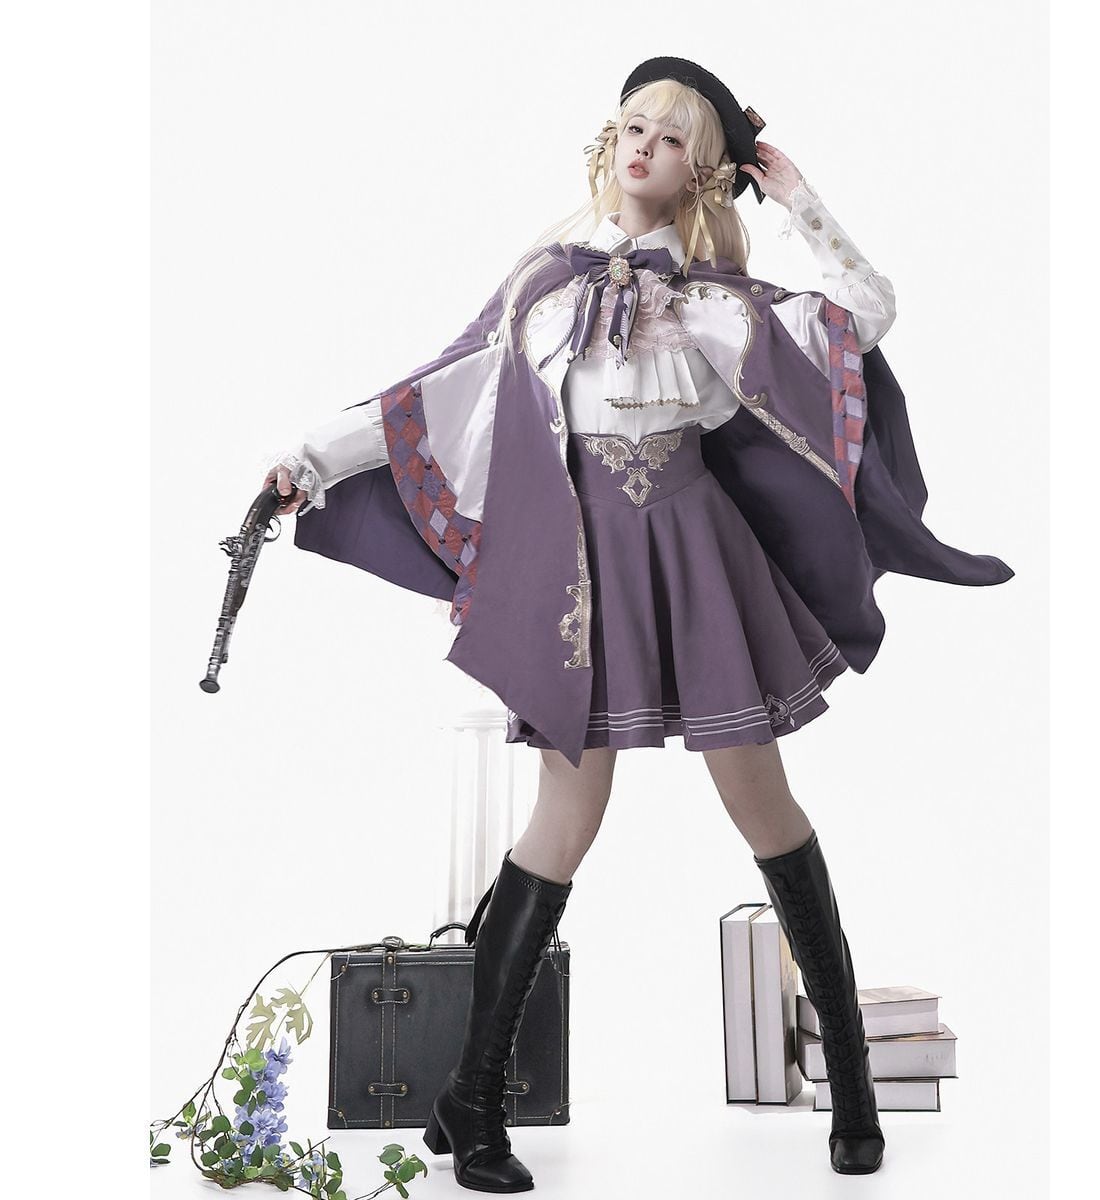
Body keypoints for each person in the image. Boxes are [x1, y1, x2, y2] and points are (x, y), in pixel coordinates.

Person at [257, 58, 1013, 1188]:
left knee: (763, 804)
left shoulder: (718, 304)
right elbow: (439, 390)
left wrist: (796, 196)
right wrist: (308, 461)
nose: (641, 143)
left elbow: (868, 311)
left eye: (668, 134)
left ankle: (851, 1085)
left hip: (701, 562)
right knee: (566, 815)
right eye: (629, 125)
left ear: (701, 168)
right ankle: (474, 1098)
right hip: (585, 570)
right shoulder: (546, 289)